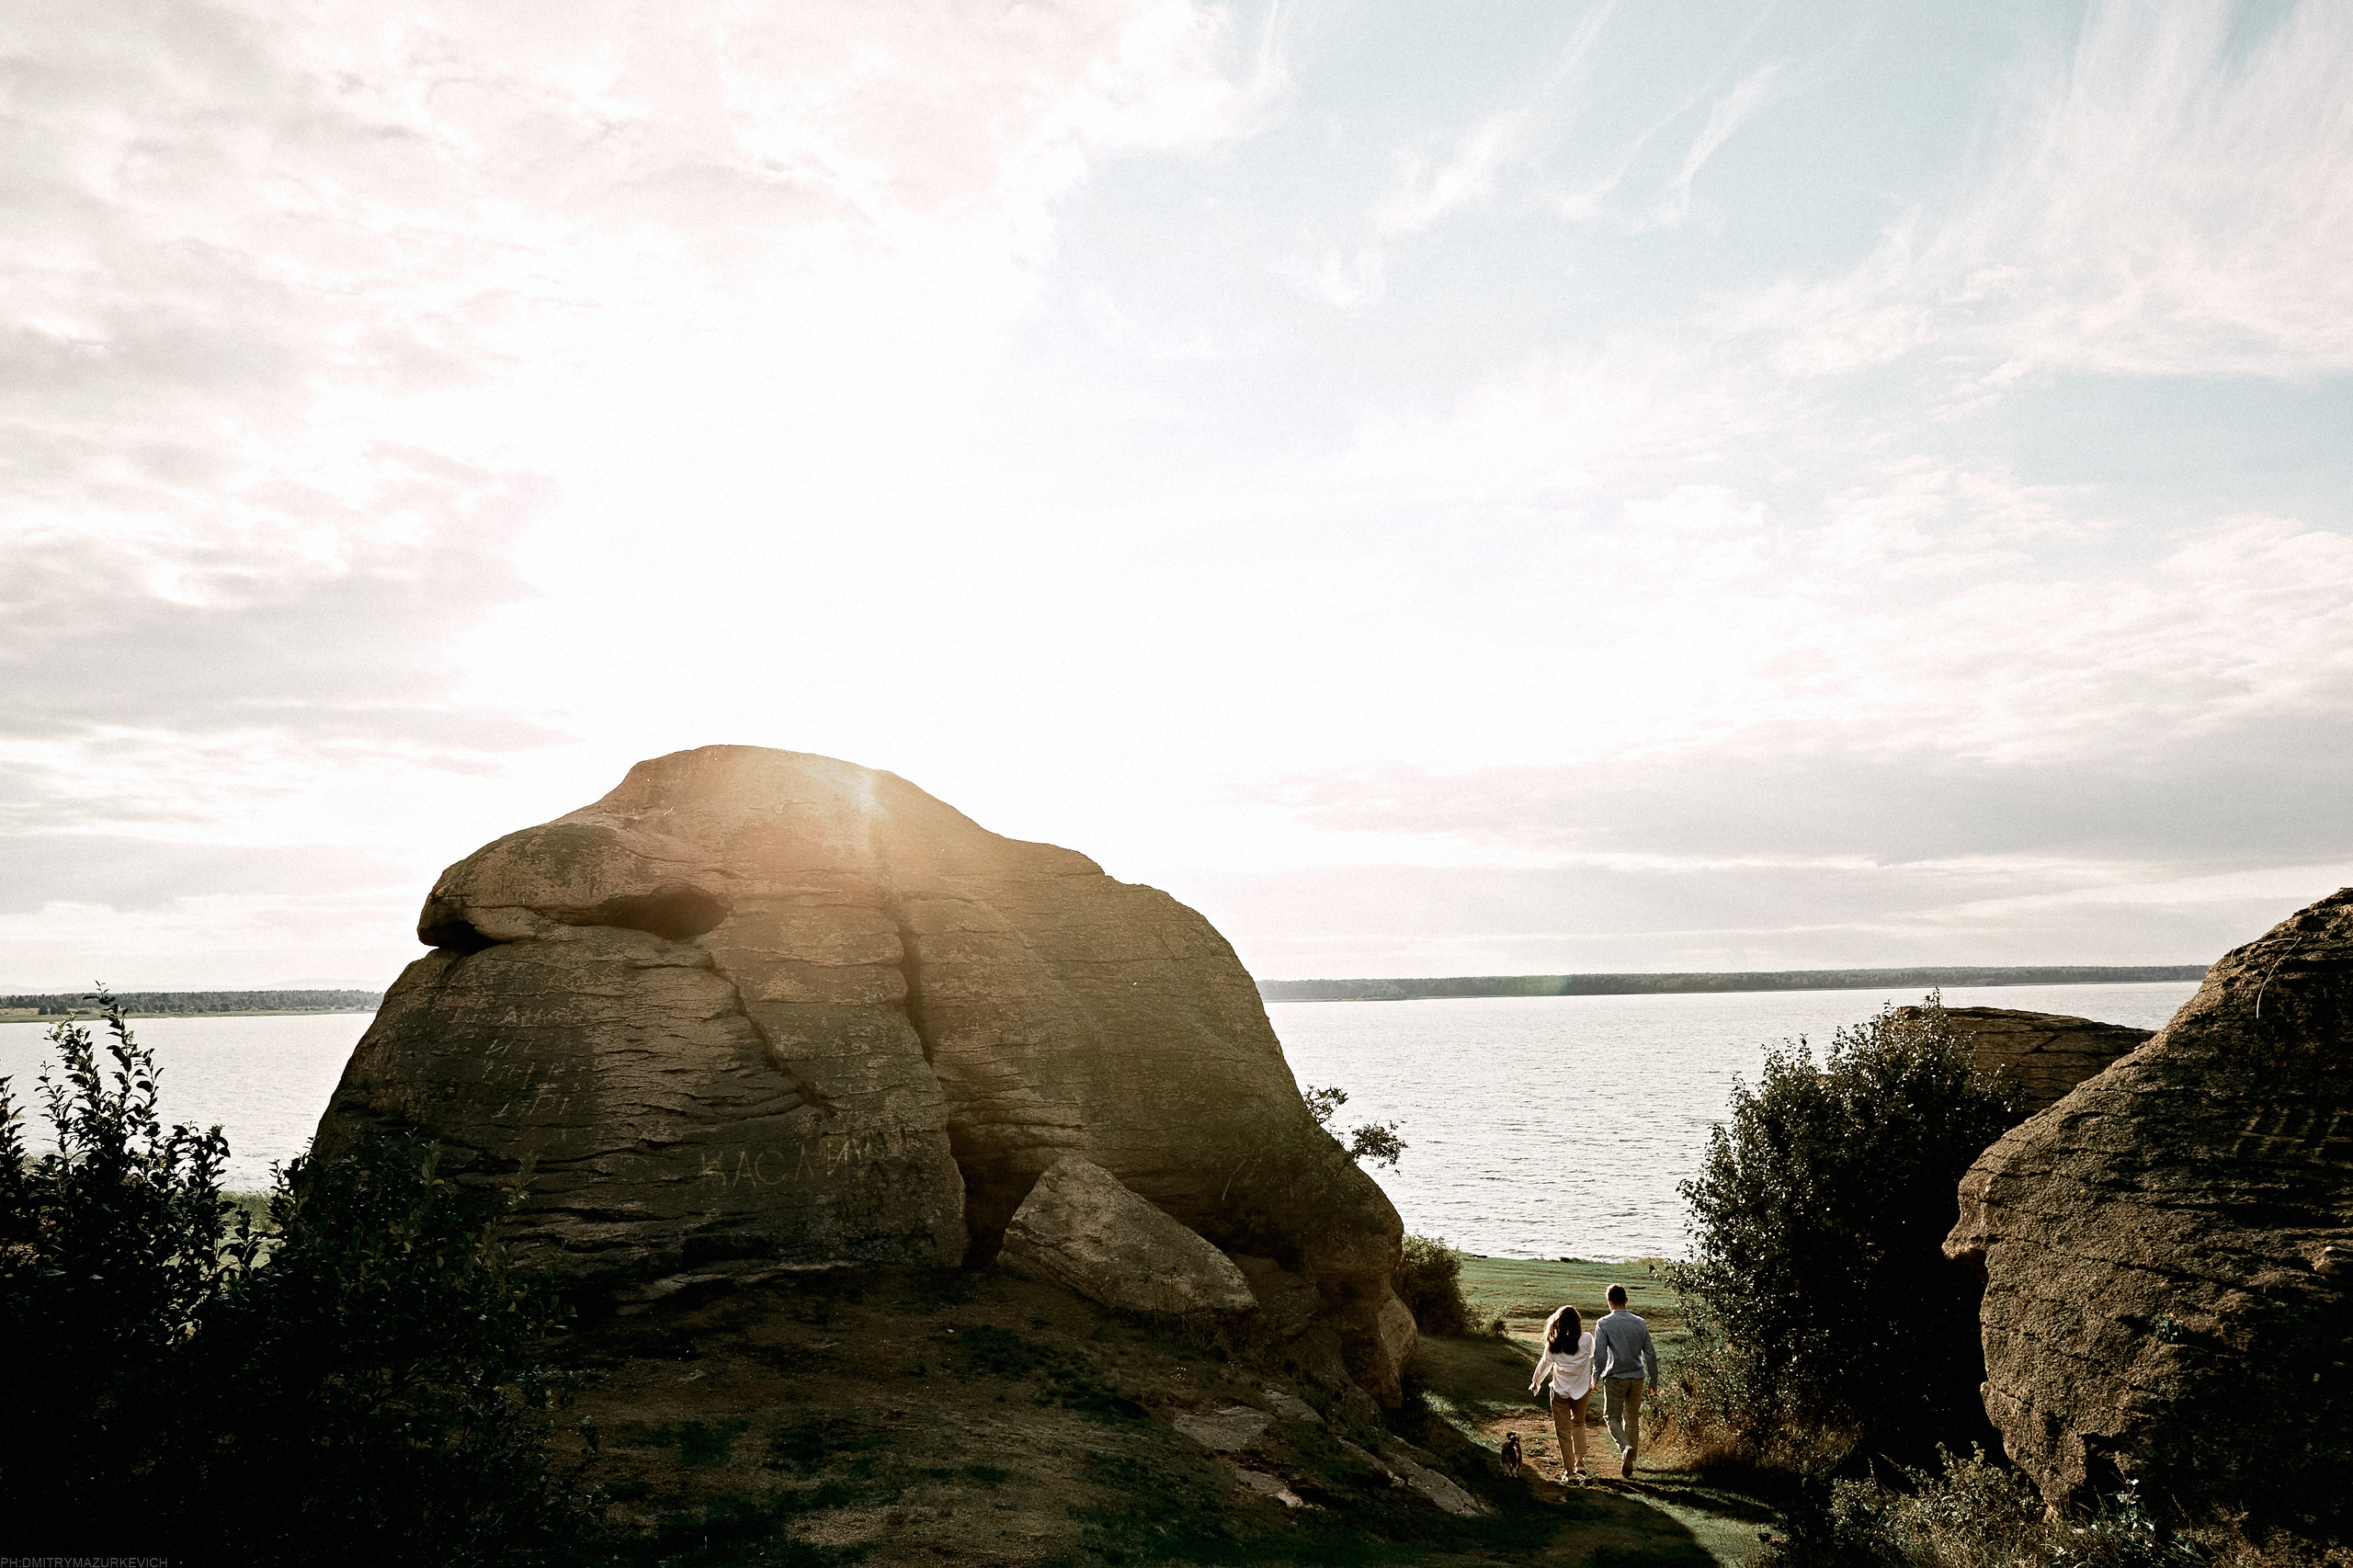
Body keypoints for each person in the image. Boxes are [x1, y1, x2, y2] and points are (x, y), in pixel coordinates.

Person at [1590, 1283, 1657, 1478]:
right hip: (1638, 1376)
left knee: (1611, 1417)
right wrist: (1653, 1379)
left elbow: (1600, 1355)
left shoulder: (1603, 1323)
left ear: (1609, 1302)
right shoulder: (1640, 1322)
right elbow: (1650, 1353)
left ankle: (1625, 1447)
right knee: (1632, 1418)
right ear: (1626, 1300)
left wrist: (1595, 1376)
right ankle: (1633, 1462)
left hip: (1615, 1377)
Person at [1528, 1303, 1595, 1481]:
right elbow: (1591, 1355)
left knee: (1563, 1431)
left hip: (1559, 1391)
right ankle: (1580, 1463)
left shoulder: (1553, 1344)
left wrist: (1536, 1382)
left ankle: (1569, 1472)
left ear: (1557, 1324)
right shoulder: (1587, 1339)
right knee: (1578, 1423)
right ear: (1577, 1323)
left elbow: (1544, 1365)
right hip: (1581, 1390)